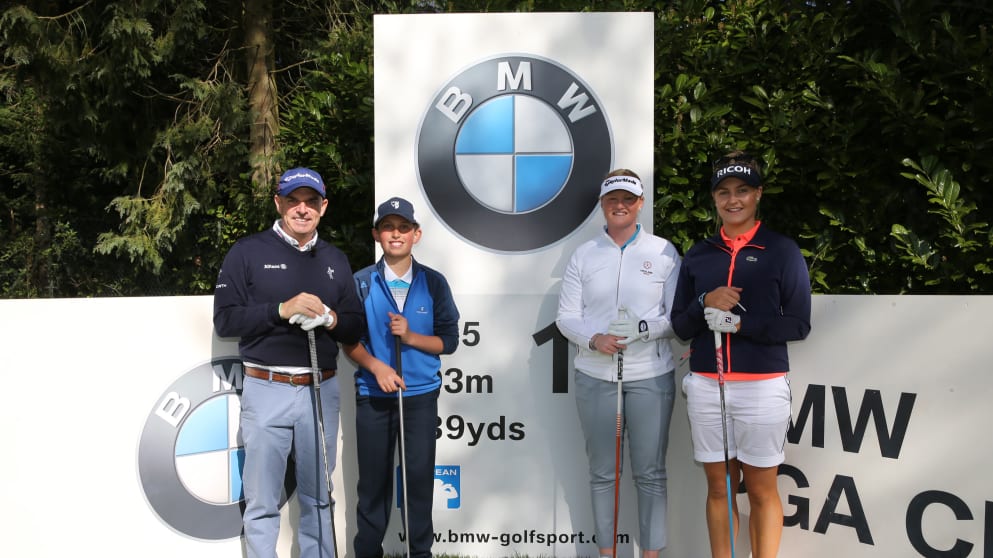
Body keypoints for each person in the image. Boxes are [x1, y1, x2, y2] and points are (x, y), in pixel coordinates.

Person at [213, 167, 365, 558]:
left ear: (323, 207)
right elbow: (226, 320)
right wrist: (281, 310)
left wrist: (330, 319)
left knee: (318, 498)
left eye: (311, 201)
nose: (302, 209)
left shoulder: (335, 259)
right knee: (263, 501)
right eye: (293, 201)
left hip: (320, 389)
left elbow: (355, 326)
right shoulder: (247, 252)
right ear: (278, 203)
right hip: (267, 388)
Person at [670, 151, 812, 558]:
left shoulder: (782, 251)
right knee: (719, 487)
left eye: (743, 191)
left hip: (761, 387)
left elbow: (799, 324)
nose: (733, 200)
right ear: (714, 199)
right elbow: (680, 326)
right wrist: (705, 303)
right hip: (706, 385)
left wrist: (739, 325)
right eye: (724, 192)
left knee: (763, 489)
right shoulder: (699, 254)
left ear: (758, 194)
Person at [556, 169, 682, 558]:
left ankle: (650, 555)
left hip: (651, 375)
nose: (620, 206)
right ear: (603, 205)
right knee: (602, 475)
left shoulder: (663, 252)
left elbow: (677, 318)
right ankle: (607, 554)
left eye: (628, 199)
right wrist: (594, 339)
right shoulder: (584, 254)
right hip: (596, 374)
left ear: (640, 204)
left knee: (650, 474)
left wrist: (642, 328)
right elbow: (566, 317)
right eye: (613, 200)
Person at [343, 196, 460, 558]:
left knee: (419, 483)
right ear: (377, 234)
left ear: (416, 234)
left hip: (420, 398)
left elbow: (449, 341)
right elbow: (349, 340)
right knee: (373, 486)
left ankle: (419, 553)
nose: (396, 234)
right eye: (389, 227)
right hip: (374, 396)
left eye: (403, 228)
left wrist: (410, 337)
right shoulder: (360, 282)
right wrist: (377, 367)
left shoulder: (433, 283)